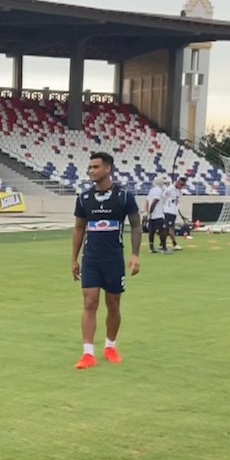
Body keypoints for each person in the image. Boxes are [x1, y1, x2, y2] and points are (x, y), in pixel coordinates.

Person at [70, 152, 141, 370]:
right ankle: (88, 354)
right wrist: (74, 258)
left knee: (113, 304)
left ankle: (110, 346)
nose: (91, 171)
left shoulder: (124, 197)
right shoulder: (84, 198)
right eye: (90, 167)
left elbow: (136, 225)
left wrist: (135, 255)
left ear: (108, 169)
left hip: (114, 259)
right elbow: (79, 228)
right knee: (90, 302)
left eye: (96, 167)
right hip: (91, 258)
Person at [160, 177, 185, 252]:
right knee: (169, 228)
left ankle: (162, 243)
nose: (181, 186)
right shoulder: (170, 189)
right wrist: (166, 206)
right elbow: (163, 196)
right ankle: (174, 244)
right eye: (181, 184)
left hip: (173, 211)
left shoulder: (179, 191)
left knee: (168, 228)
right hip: (169, 211)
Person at [145, 177, 167, 255]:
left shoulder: (151, 190)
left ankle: (151, 248)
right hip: (158, 214)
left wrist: (147, 212)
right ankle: (164, 248)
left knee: (152, 231)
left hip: (152, 215)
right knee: (162, 231)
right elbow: (155, 201)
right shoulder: (159, 191)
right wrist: (150, 211)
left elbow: (147, 201)